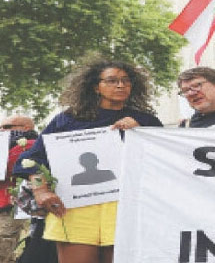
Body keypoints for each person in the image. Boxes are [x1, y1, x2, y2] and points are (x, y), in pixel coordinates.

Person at [13, 58, 162, 263]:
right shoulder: (68, 119)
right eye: (112, 80)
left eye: (126, 80)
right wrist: (41, 190)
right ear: (95, 87)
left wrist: (143, 132)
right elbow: (33, 159)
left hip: (125, 208)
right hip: (74, 209)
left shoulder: (145, 121)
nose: (120, 85)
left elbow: (163, 159)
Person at [0, 115, 37, 263]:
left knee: (3, 246)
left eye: (7, 127)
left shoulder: (31, 145)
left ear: (26, 128)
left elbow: (14, 169)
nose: (2, 130)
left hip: (12, 206)